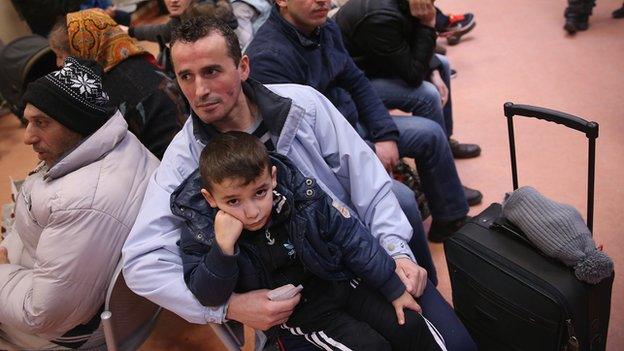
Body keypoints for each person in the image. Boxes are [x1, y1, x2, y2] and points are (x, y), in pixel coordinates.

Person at [122, 16, 476, 351]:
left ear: (243, 67)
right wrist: (229, 307)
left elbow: (370, 186)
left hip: (361, 262)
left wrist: (397, 251)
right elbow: (141, 261)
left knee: (454, 345)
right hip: (295, 309)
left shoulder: (304, 106)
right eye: (186, 76)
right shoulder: (184, 159)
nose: (199, 90)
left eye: (212, 71)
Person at [175, 131, 445, 350]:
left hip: (339, 282)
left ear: (273, 178)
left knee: (410, 324)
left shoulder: (302, 196)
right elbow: (208, 295)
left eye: (260, 193)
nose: (252, 211)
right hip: (301, 317)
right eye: (233, 201)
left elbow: (352, 238)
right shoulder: (202, 230)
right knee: (369, 347)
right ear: (210, 199)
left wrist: (393, 288)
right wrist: (223, 250)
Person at [245, 0, 481, 245]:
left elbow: (356, 81)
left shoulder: (322, 27)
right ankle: (416, 279)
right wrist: (367, 150)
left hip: (350, 120)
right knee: (402, 200)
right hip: (331, 150)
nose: (323, 1)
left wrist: (385, 134)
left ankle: (450, 220)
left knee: (430, 134)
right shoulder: (269, 59)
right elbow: (306, 147)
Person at [0, 57, 158, 350]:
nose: (27, 137)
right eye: (28, 120)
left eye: (41, 123)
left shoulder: (82, 204)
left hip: (75, 331)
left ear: (77, 123)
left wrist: (2, 272)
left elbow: (43, 314)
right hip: (105, 302)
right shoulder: (122, 143)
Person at [335, 0, 481, 160]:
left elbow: (409, 38)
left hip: (375, 62)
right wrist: (428, 24)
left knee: (442, 65)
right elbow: (413, 75)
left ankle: (444, 142)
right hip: (350, 86)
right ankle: (437, 171)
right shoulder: (380, 16)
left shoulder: (408, 4)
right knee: (427, 95)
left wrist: (433, 69)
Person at [48, 9, 187, 159]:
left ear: (83, 49)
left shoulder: (121, 86)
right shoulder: (132, 62)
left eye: (61, 56)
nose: (59, 63)